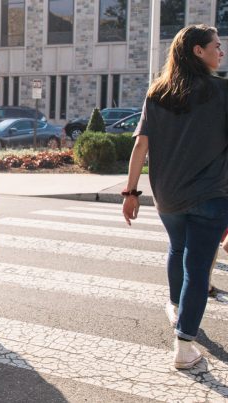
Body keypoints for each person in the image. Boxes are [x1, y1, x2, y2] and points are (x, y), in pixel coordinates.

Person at [123, 24, 228, 370]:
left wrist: (130, 192)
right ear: (198, 51)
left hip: (167, 195)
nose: (221, 52)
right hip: (212, 194)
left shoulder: (158, 92)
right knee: (198, 267)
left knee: (178, 250)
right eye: (216, 45)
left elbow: (140, 145)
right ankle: (184, 345)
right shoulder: (222, 92)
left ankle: (175, 305)